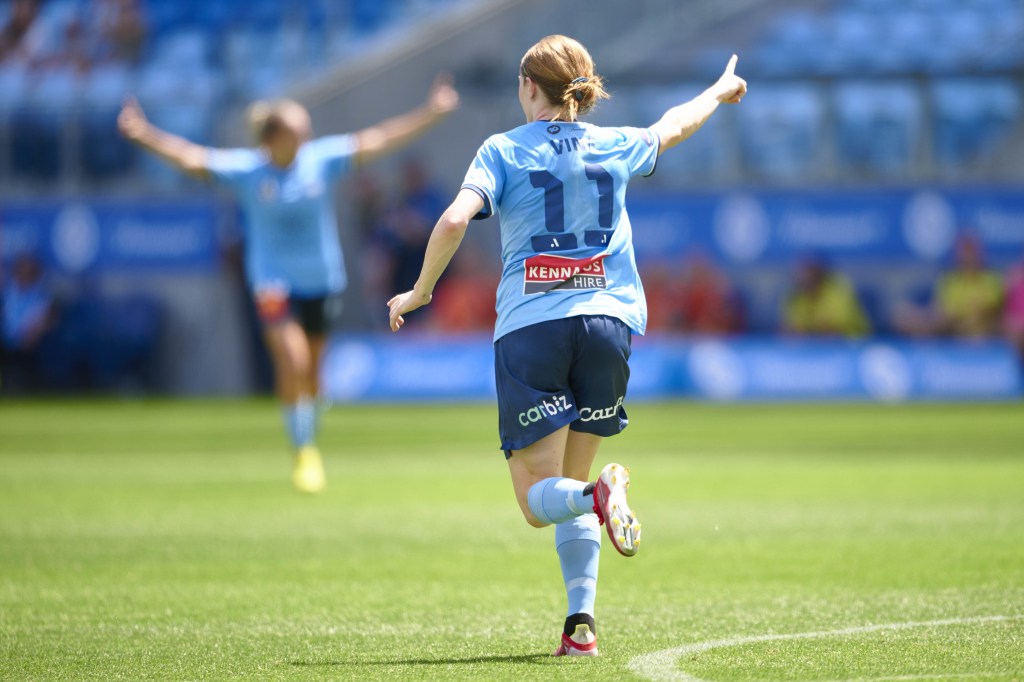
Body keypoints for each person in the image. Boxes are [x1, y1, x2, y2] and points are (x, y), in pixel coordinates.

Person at [387, 35, 746, 656]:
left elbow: (453, 220)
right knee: (571, 483)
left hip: (533, 328)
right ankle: (581, 626)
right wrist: (718, 90)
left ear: (529, 86)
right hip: (609, 324)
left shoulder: (502, 149)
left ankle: (597, 496)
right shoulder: (615, 142)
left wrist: (420, 292)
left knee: (540, 500)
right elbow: (674, 125)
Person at [118, 75, 459, 493]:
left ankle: (307, 428)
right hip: (271, 281)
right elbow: (192, 158)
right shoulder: (248, 171)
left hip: (320, 279)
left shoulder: (321, 160)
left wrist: (431, 113)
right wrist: (144, 134)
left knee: (313, 372)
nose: (308, 137)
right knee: (292, 359)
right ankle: (303, 451)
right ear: (274, 138)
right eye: (300, 131)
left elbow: (379, 139)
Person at [782, 254, 870, 338]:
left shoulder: (838, 290)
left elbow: (836, 329)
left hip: (852, 342)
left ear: (820, 273)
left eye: (809, 272)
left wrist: (812, 329)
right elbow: (791, 327)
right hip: (813, 345)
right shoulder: (796, 295)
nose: (804, 277)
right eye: (801, 273)